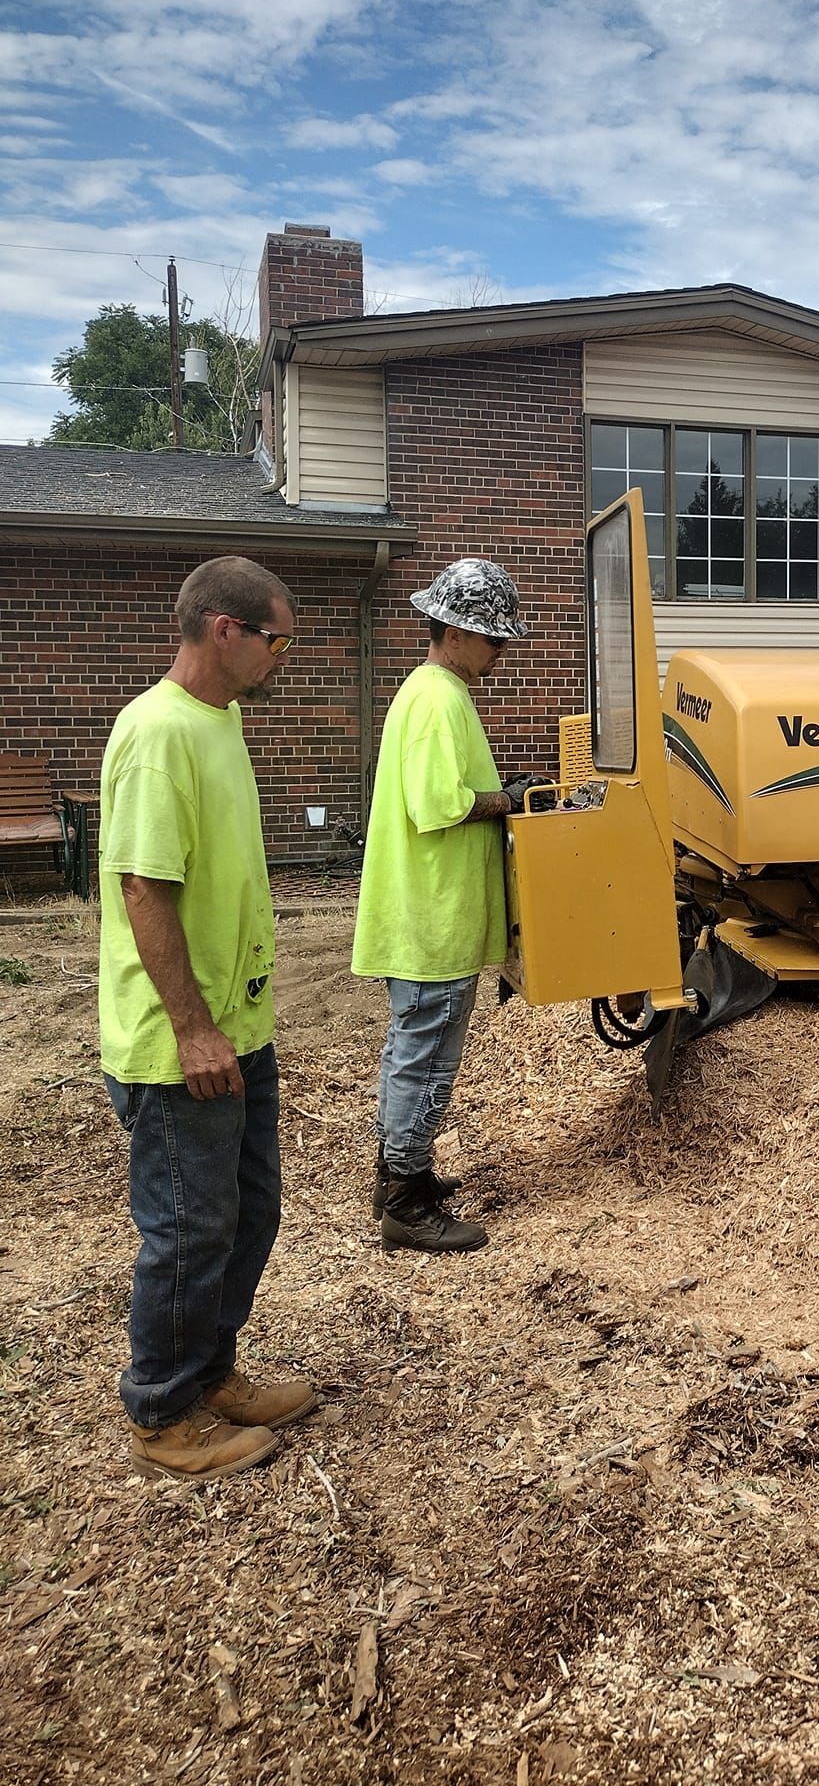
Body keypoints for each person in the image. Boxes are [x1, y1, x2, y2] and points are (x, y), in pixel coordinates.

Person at [100, 557, 318, 1482]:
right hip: (180, 1043)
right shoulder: (158, 735)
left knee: (247, 1212)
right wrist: (191, 1028)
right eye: (278, 639)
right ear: (224, 631)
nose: (285, 658)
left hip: (241, 1028)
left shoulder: (218, 721)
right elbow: (144, 888)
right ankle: (161, 1409)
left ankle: (211, 1371)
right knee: (189, 1229)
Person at [352, 558, 530, 1253]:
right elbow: (440, 805)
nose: (501, 651)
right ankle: (405, 1200)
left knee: (414, 1052)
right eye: (493, 638)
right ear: (453, 632)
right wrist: (509, 799)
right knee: (424, 1059)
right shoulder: (436, 699)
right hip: (432, 918)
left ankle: (404, 1173)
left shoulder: (437, 691)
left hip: (430, 914)